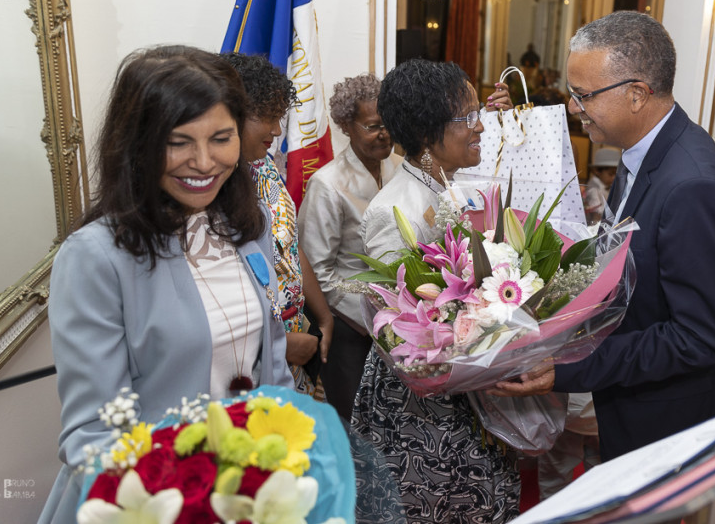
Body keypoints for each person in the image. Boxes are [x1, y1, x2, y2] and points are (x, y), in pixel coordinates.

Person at [38, 46, 294, 524]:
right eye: (178, 142)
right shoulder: (96, 257)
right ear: (138, 143)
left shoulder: (247, 228)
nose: (203, 162)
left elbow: (273, 368)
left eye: (222, 138)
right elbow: (94, 436)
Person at [492, 11, 715, 461]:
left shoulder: (693, 186)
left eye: (583, 95)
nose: (573, 107)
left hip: (673, 430)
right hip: (633, 409)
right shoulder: (639, 154)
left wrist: (569, 364)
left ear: (636, 95)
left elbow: (698, 337)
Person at [353, 59, 520, 523]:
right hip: (422, 406)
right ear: (429, 134)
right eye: (467, 118)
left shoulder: (453, 190)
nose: (480, 126)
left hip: (465, 388)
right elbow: (396, 332)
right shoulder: (394, 210)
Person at [221, 52, 334, 399]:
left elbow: (290, 244)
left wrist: (323, 316)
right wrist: (277, 346)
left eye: (279, 117)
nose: (276, 130)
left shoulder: (266, 168)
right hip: (249, 363)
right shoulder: (216, 190)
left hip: (294, 339)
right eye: (266, 118)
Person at [296, 73, 402, 421]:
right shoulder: (327, 184)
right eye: (372, 126)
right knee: (356, 424)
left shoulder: (401, 168)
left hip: (400, 323)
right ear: (346, 126)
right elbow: (318, 272)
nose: (384, 133)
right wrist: (374, 319)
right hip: (349, 328)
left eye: (388, 123)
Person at [583, 146, 621, 224]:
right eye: (611, 174)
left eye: (616, 174)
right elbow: (597, 214)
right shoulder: (593, 189)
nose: (614, 178)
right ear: (597, 171)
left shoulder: (609, 186)